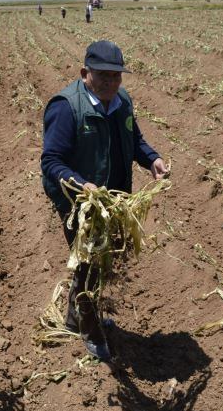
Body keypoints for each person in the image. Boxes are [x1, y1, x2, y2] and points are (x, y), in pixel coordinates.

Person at [41, 40, 168, 361]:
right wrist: (82, 187)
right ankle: (91, 331)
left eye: (117, 76)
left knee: (98, 262)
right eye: (103, 76)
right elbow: (51, 161)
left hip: (112, 200)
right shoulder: (66, 107)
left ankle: (77, 317)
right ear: (85, 73)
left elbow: (134, 138)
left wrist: (151, 159)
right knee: (88, 264)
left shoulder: (121, 102)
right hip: (78, 204)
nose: (111, 82)